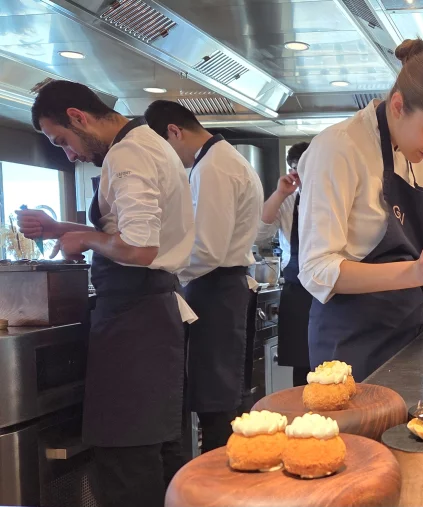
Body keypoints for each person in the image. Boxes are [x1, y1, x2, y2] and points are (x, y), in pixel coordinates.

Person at [18, 80, 195, 507]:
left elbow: (140, 248)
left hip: (136, 320)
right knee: (157, 452)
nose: (70, 154)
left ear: (78, 117)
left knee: (127, 458)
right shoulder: (145, 143)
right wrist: (61, 229)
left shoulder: (129, 154)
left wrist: (87, 241)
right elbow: (125, 232)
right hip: (147, 315)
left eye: (62, 141)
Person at [298, 39, 423, 380]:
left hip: (405, 334)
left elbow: (393, 244)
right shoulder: (338, 149)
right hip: (352, 346)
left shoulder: (415, 156)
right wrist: (417, 273)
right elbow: (316, 269)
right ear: (397, 105)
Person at [144, 100, 264, 453]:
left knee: (217, 402)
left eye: (161, 148)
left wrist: (166, 272)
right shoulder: (224, 160)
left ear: (174, 131)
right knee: (223, 396)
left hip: (216, 287)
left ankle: (219, 486)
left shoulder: (213, 167)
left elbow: (208, 250)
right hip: (222, 287)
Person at [255, 141, 312, 387]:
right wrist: (279, 194)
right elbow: (259, 234)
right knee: (301, 368)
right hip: (296, 289)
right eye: (295, 170)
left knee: (331, 363)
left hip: (331, 288)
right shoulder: (288, 199)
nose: (300, 176)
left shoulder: (333, 196)